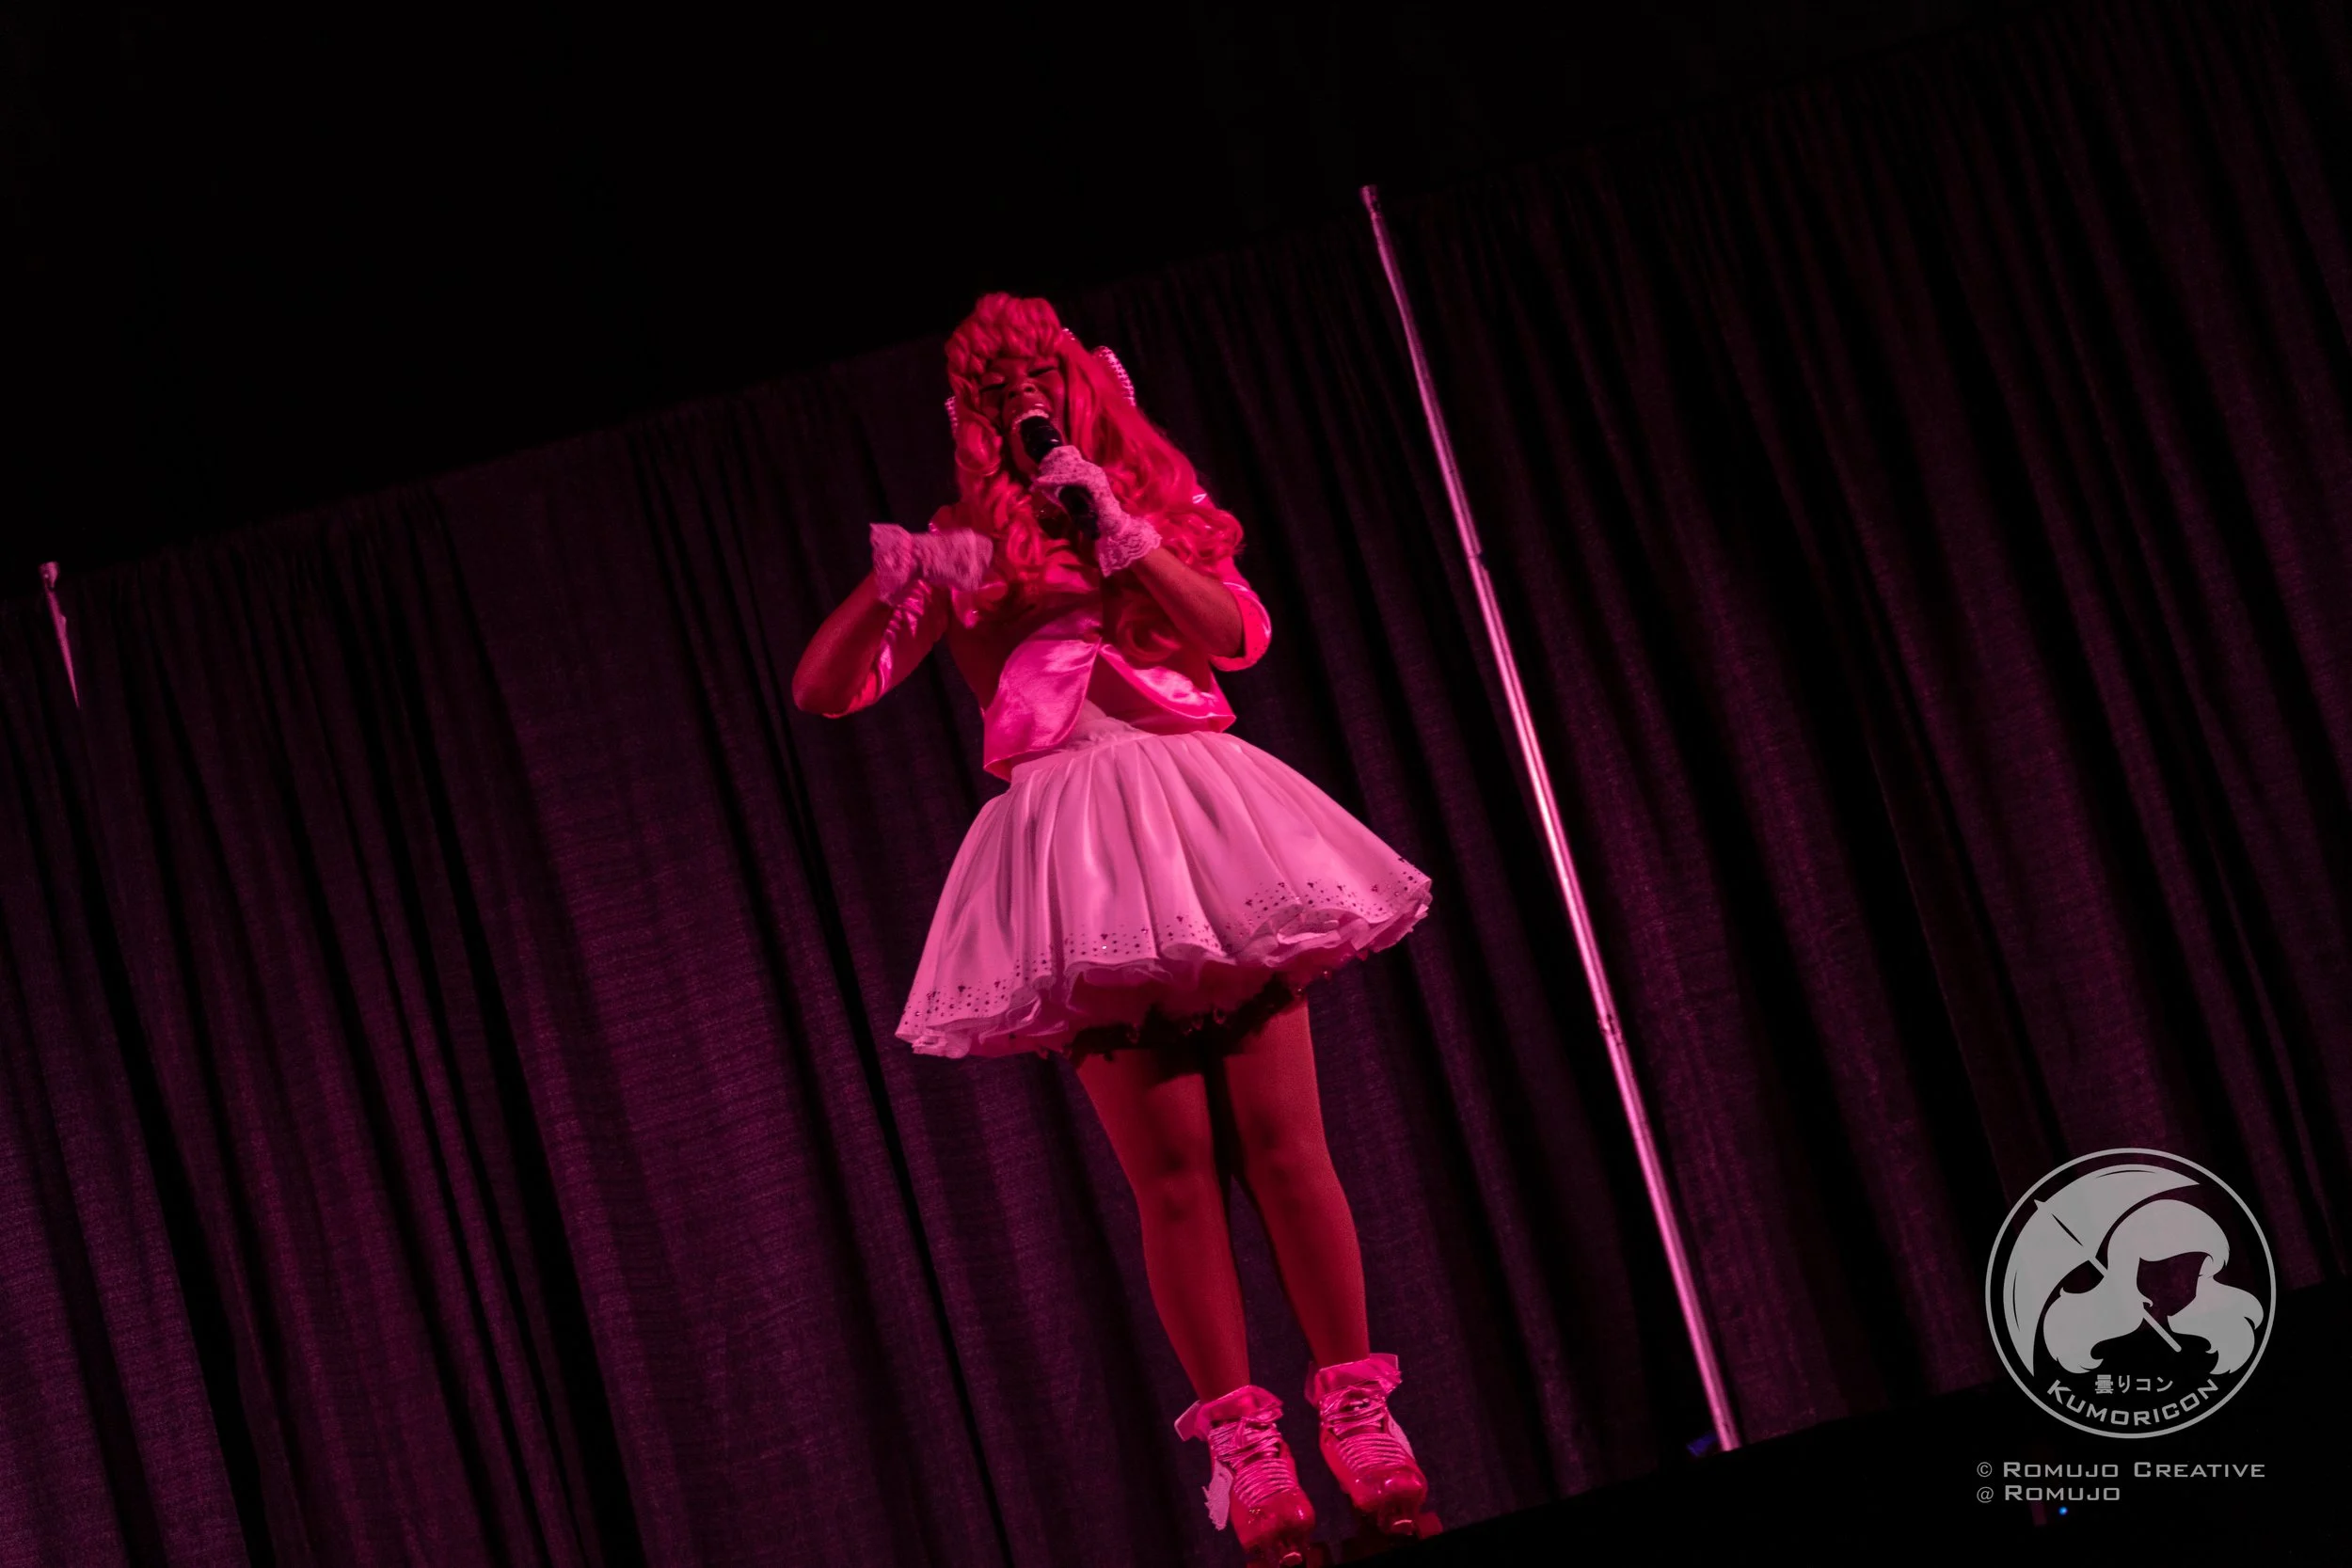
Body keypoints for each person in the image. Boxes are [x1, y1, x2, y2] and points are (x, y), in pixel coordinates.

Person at [792, 293, 1439, 1566]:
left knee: (1285, 1143)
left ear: (1086, 384)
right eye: (997, 395)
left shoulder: (1151, 512)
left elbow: (1237, 636)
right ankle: (1247, 1451)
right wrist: (895, 587)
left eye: (1041, 381)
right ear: (969, 417)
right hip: (1077, 850)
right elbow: (828, 690)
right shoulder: (962, 543)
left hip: (1202, 817)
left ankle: (1360, 1416)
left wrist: (1118, 528)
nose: (1021, 408)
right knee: (1178, 1174)